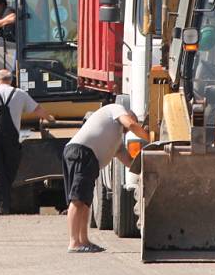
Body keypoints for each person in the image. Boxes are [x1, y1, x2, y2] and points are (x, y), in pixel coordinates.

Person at [62, 104, 149, 253]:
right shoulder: (116, 108)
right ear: (129, 114)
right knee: (77, 200)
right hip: (81, 153)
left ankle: (84, 241)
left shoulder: (117, 140)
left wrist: (146, 170)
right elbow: (131, 124)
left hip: (88, 158)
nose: (129, 130)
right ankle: (74, 242)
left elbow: (128, 161)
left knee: (85, 202)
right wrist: (148, 136)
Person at [0, 69, 54, 214]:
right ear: (11, 80)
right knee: (10, 170)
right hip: (11, 136)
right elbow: (38, 110)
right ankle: (1, 205)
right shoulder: (20, 93)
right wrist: (51, 119)